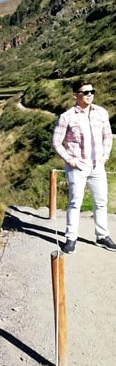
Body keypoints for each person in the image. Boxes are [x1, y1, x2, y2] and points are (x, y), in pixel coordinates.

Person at [52, 81, 116, 254]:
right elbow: (56, 143)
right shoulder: (67, 117)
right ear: (75, 95)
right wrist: (70, 160)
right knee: (75, 203)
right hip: (77, 167)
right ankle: (71, 238)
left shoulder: (101, 112)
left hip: (97, 166)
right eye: (85, 92)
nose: (89, 94)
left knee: (101, 202)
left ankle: (102, 236)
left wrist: (105, 156)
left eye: (92, 91)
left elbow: (107, 136)